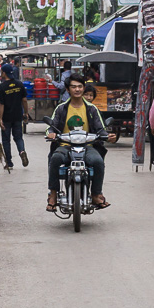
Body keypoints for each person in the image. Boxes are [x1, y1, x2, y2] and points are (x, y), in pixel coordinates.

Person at [47, 73, 115, 211]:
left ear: (84, 88)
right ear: (67, 89)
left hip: (87, 146)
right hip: (65, 146)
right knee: (55, 159)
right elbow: (51, 127)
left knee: (98, 162)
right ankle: (53, 195)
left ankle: (96, 194)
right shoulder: (61, 108)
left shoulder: (91, 109)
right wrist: (51, 134)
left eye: (80, 86)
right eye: (73, 87)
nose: (77, 90)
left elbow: (100, 128)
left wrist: (107, 136)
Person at [0, 61, 29, 168]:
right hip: (17, 116)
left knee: (6, 140)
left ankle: (9, 163)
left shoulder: (2, 87)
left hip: (6, 118)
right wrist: (26, 112)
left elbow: (1, 105)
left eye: (1, 71)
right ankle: (21, 151)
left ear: (4, 73)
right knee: (18, 138)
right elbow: (24, 100)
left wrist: (0, 118)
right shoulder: (19, 84)